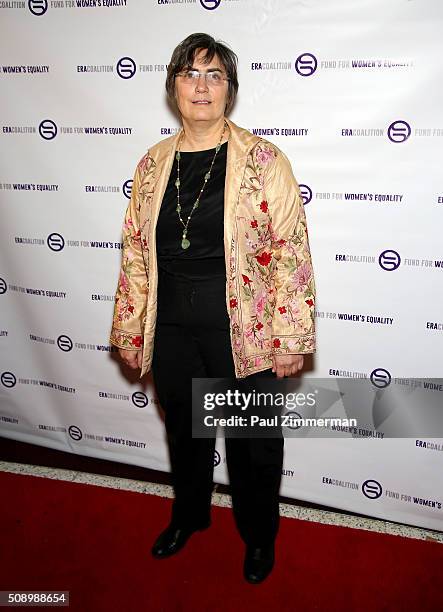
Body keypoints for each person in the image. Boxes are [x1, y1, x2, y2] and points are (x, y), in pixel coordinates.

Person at [109, 33, 316, 584]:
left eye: (214, 74)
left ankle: (258, 535)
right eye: (190, 74)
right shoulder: (152, 164)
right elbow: (135, 251)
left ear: (230, 89)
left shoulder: (263, 159)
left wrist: (292, 335)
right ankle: (190, 515)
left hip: (242, 328)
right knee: (186, 432)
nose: (201, 86)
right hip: (173, 326)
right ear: (174, 86)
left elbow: (291, 249)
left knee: (253, 443)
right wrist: (131, 330)